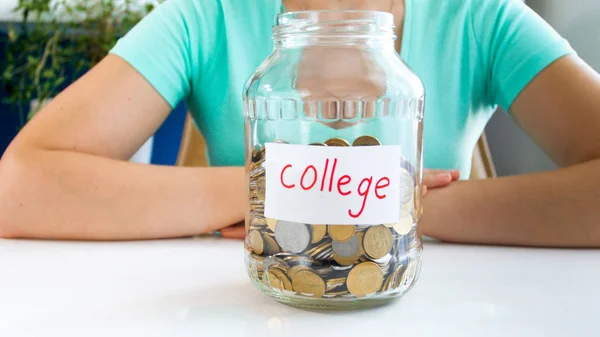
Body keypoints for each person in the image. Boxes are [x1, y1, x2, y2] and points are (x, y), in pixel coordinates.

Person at [0, 0, 599, 247]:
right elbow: (19, 186)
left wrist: (405, 204)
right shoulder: (205, 13)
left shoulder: (482, 16)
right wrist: (280, 190)